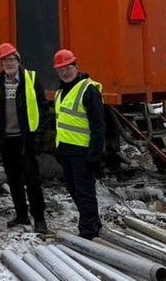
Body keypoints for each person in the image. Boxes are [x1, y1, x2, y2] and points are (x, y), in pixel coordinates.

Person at [0, 43, 48, 233]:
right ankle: (21, 215)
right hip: (7, 139)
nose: (8, 63)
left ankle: (39, 218)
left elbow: (42, 107)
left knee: (32, 179)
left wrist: (39, 134)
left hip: (25, 138)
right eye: (5, 60)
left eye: (11, 59)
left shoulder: (31, 78)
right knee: (13, 180)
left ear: (18, 60)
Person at [52, 48, 105, 240]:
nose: (64, 73)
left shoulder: (88, 90)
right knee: (74, 191)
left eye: (67, 68)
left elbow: (99, 127)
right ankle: (93, 224)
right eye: (60, 70)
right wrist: (58, 149)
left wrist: (95, 156)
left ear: (76, 66)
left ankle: (88, 233)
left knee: (85, 193)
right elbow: (60, 123)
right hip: (67, 151)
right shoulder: (60, 92)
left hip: (83, 152)